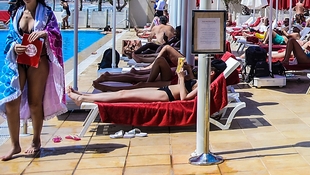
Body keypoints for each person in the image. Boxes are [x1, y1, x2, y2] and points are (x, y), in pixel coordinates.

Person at [1, 0, 67, 160]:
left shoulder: (46, 14)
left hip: (39, 60)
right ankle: (15, 145)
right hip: (18, 61)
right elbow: (8, 39)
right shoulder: (16, 14)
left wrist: (45, 34)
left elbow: (57, 35)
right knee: (11, 103)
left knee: (34, 102)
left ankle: (36, 140)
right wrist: (15, 46)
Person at [68, 59, 226, 105]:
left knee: (123, 95)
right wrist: (187, 74)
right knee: (124, 92)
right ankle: (82, 94)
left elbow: (185, 99)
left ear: (212, 72)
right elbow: (190, 84)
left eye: (208, 67)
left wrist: (181, 78)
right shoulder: (204, 80)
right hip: (166, 90)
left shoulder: (205, 86)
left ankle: (83, 99)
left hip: (166, 96)